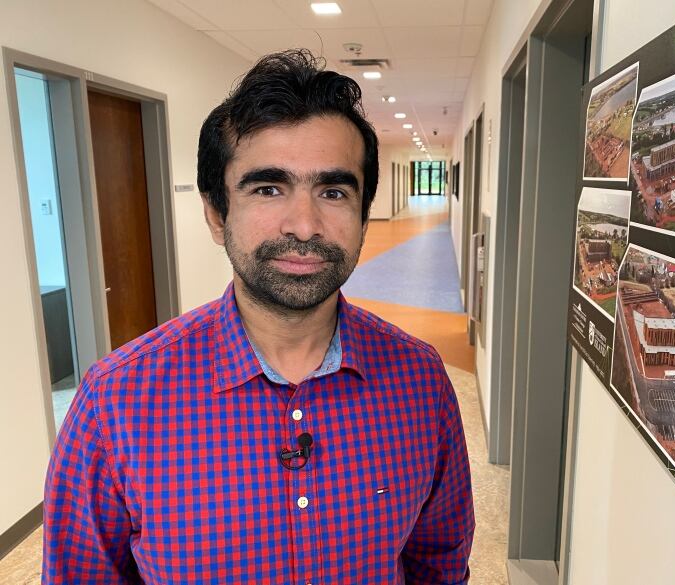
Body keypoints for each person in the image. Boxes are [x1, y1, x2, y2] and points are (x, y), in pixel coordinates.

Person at [43, 49, 474, 584]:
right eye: (268, 188)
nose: (304, 224)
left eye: (333, 191)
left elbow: (439, 561)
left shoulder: (419, 379)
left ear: (363, 217)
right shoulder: (116, 403)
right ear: (216, 214)